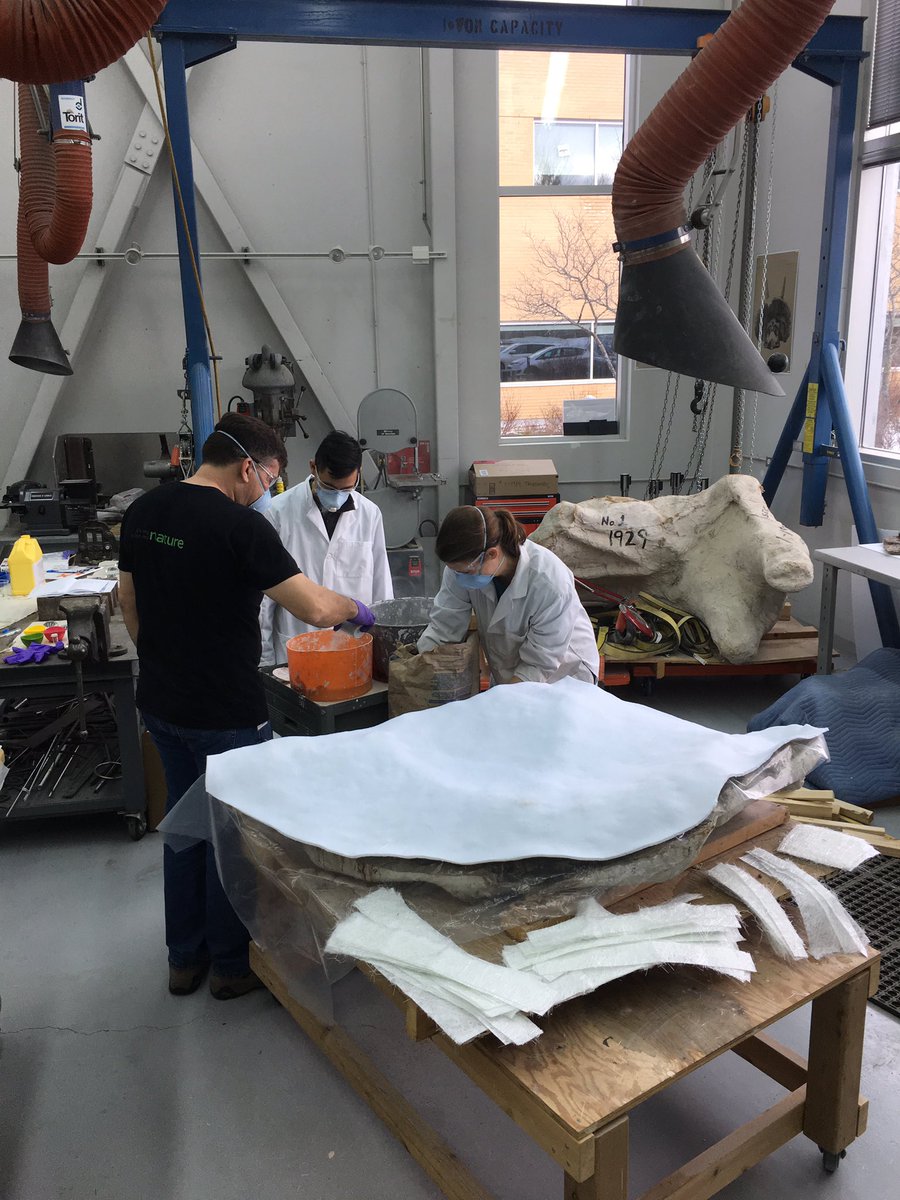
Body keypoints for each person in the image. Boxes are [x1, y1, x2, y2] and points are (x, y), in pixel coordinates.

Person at [118, 413, 375, 1001]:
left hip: (161, 703)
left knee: (183, 830)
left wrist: (165, 662)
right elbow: (311, 607)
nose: (268, 490)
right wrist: (359, 612)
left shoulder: (144, 512)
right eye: (269, 478)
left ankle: (184, 958)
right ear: (246, 467)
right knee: (232, 835)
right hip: (226, 712)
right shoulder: (242, 528)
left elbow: (128, 602)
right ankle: (232, 965)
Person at [418, 505, 599, 685]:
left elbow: (538, 665)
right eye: (455, 571)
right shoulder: (463, 568)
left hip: (565, 675)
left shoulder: (549, 582)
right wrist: (417, 665)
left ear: (491, 554)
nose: (459, 577)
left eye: (464, 572)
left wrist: (502, 700)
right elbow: (444, 627)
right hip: (511, 673)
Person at [259, 430, 392, 665]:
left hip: (354, 649)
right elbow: (265, 600)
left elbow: (382, 589)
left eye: (347, 489)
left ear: (358, 475)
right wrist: (266, 662)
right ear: (313, 467)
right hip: (297, 648)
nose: (338, 496)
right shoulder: (278, 513)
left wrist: (384, 651)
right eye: (330, 487)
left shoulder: (370, 515)